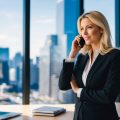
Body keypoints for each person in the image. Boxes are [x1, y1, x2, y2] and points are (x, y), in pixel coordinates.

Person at [59, 11, 120, 120]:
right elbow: (63, 85)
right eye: (82, 29)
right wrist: (72, 54)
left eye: (89, 27)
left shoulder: (114, 56)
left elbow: (108, 96)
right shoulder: (83, 57)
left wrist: (78, 91)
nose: (84, 33)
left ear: (101, 29)